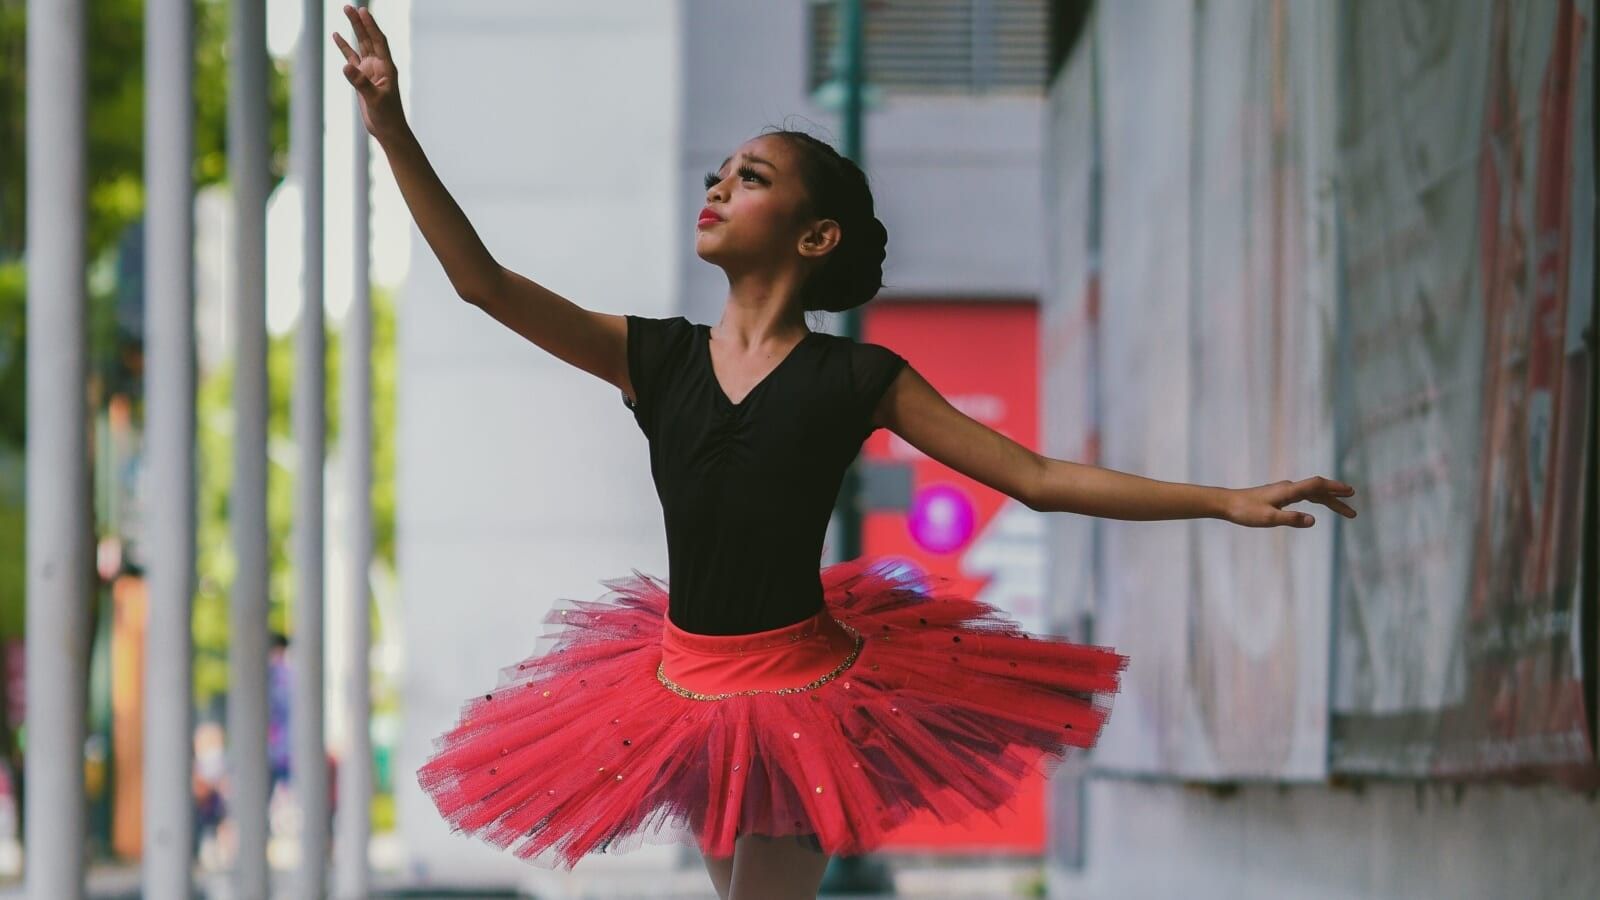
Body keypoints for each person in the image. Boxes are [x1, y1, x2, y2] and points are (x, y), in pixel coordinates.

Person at [333, 7, 1358, 899]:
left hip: (801, 703)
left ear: (813, 237)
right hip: (683, 696)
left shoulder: (857, 381)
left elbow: (1034, 480)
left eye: (751, 176)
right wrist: (393, 130)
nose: (719, 186)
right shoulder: (655, 355)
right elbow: (484, 285)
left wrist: (1222, 499)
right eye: (719, 173)